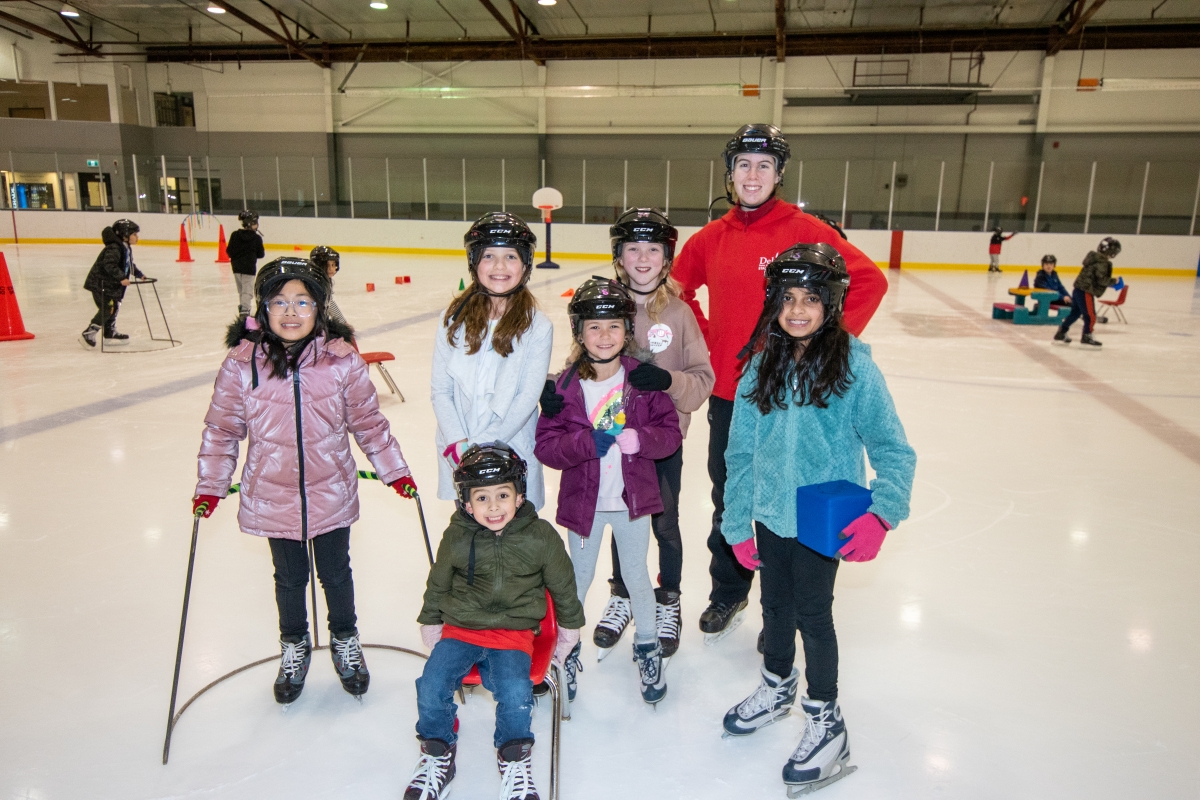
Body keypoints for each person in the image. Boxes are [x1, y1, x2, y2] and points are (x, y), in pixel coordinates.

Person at [671, 124, 888, 644]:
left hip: (793, 396)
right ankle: (729, 590)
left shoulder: (805, 229)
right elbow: (676, 293)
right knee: (732, 495)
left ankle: (792, 598)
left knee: (792, 495)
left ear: (779, 174)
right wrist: (706, 341)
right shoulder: (710, 238)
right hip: (731, 395)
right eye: (743, 165)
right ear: (729, 173)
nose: (752, 175)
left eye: (763, 166)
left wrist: (820, 348)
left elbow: (868, 282)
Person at [718, 244, 915, 796]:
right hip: (769, 516)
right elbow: (740, 454)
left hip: (818, 522)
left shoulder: (855, 366)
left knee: (813, 614)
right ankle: (777, 683)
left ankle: (826, 717)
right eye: (787, 298)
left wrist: (882, 513)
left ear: (833, 301)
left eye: (811, 298)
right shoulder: (763, 362)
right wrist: (737, 523)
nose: (798, 309)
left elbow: (894, 450)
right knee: (773, 607)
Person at [192, 256, 417, 704]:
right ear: (263, 308)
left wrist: (394, 470)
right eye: (279, 302)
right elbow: (222, 429)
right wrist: (211, 485)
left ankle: (345, 641)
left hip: (330, 488)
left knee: (336, 573)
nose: (291, 312)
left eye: (302, 302)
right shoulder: (241, 365)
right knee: (289, 579)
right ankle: (293, 646)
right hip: (272, 495)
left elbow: (369, 422)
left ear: (320, 308)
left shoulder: (341, 362)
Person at [541, 208, 713, 660]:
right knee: (617, 517)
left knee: (663, 523)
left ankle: (667, 598)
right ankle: (621, 597)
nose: (642, 258)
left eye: (652, 249)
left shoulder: (679, 313)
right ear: (618, 255)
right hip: (607, 447)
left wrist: (669, 382)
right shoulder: (603, 305)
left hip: (658, 443)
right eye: (633, 249)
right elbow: (581, 363)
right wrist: (552, 393)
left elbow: (703, 382)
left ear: (666, 258)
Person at [406, 443, 584, 800]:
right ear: (467, 504)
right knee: (431, 685)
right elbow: (438, 581)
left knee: (517, 692)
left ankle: (514, 756)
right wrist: (430, 619)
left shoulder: (540, 537)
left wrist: (569, 628)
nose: (493, 506)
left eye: (503, 495)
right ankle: (438, 751)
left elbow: (563, 585)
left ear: (519, 496)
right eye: (482, 498)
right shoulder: (457, 535)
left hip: (514, 632)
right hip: (461, 629)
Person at [535, 278, 682, 706]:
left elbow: (669, 435)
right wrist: (582, 445)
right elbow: (546, 446)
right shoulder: (563, 388)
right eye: (594, 328)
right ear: (579, 333)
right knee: (576, 580)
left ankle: (648, 646)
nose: (604, 336)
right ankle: (568, 650)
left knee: (636, 575)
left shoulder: (643, 382)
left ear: (627, 331)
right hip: (586, 506)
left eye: (613, 327)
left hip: (631, 504)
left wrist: (644, 440)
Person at [433, 212, 554, 515]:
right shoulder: (452, 320)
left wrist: (481, 445)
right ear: (474, 262)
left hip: (510, 446)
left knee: (516, 543)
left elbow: (527, 397)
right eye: (489, 256)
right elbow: (441, 390)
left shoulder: (538, 327)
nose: (499, 267)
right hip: (458, 449)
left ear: (525, 265)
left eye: (510, 256)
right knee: (471, 538)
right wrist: (459, 442)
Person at [80, 219, 145, 348]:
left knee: (114, 307)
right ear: (125, 235)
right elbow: (109, 265)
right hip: (101, 285)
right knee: (107, 309)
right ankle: (89, 333)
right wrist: (121, 278)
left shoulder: (124, 247)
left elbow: (127, 265)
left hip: (111, 286)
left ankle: (110, 333)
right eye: (134, 234)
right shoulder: (114, 248)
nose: (137, 237)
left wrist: (139, 274)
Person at [1055, 237, 1122, 347]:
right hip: (1086, 291)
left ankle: (1062, 332)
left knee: (1075, 313)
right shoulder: (1102, 262)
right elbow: (1102, 280)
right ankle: (1087, 335)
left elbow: (1095, 277)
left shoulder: (1093, 258)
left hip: (1078, 289)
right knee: (1091, 316)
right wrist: (1115, 281)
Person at [226, 210, 265, 318]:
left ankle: (243, 307)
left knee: (241, 290)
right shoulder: (256, 238)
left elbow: (229, 251)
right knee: (247, 291)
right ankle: (245, 310)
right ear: (252, 223)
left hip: (236, 268)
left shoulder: (234, 235)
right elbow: (261, 254)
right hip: (249, 268)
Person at [310, 245, 346, 324]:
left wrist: (342, 322)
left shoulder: (325, 280)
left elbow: (329, 303)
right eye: (327, 265)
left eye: (333, 265)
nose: (331, 269)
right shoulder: (315, 283)